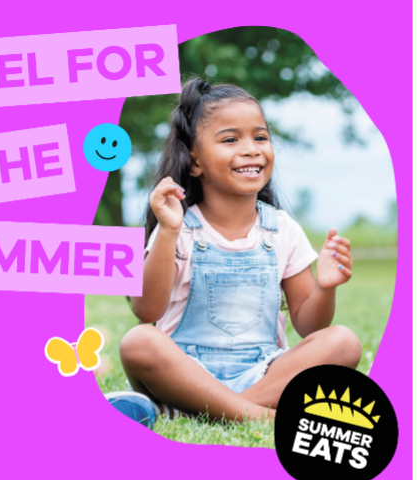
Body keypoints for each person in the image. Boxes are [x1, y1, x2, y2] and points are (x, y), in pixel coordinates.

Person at [105, 77, 362, 429]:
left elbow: (309, 324)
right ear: (194, 162)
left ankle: (211, 411)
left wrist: (326, 287)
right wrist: (166, 231)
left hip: (264, 374)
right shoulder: (177, 226)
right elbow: (146, 310)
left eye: (260, 137)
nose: (252, 148)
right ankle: (259, 416)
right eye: (230, 139)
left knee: (343, 342)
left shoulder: (282, 229)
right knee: (138, 342)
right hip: (184, 373)